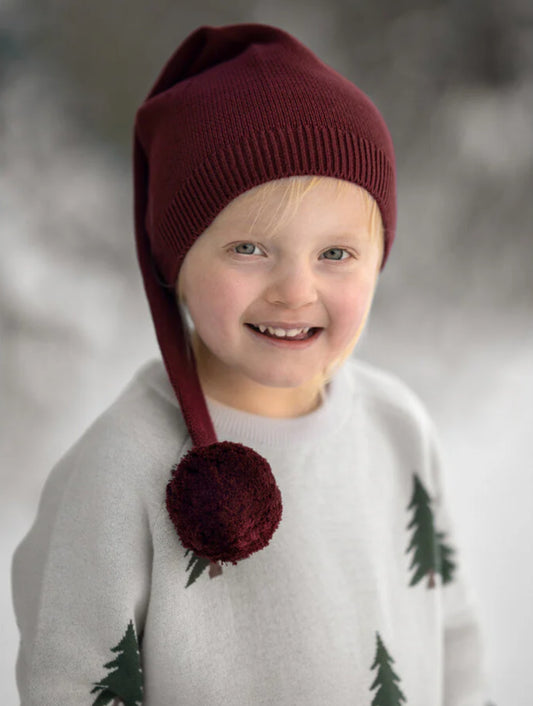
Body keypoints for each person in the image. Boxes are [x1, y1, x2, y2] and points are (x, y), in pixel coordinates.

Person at [12, 23, 488, 705]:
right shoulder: (121, 468)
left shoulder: (397, 427)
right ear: (174, 263)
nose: (295, 290)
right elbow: (71, 680)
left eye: (335, 254)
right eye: (248, 248)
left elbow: (454, 634)